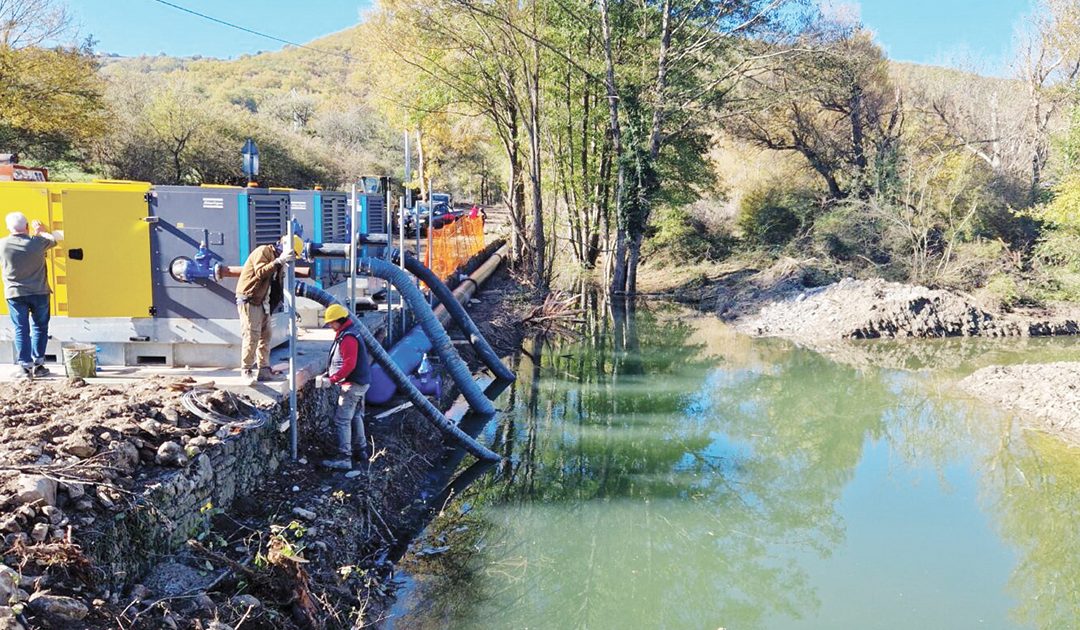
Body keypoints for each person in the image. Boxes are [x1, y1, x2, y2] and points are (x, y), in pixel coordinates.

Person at [235, 234, 301, 385]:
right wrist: (279, 261)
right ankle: (246, 370)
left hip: (263, 301)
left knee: (266, 335)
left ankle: (264, 370)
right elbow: (260, 272)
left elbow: (276, 288)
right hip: (250, 298)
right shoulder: (264, 251)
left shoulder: (280, 264)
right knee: (252, 334)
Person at [0, 212, 61, 378]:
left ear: (8, 228)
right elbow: (54, 239)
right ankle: (39, 365)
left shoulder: (2, 244)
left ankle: (25, 367)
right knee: (40, 328)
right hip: (40, 292)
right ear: (26, 226)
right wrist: (40, 230)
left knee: (21, 329)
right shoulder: (38, 242)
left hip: (15, 294)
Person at [316, 303, 372, 471]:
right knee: (355, 416)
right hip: (360, 382)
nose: (330, 326)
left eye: (332, 323)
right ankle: (361, 450)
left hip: (352, 385)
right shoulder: (350, 332)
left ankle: (344, 457)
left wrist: (332, 379)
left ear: (340, 321)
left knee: (342, 420)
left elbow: (349, 364)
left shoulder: (348, 338)